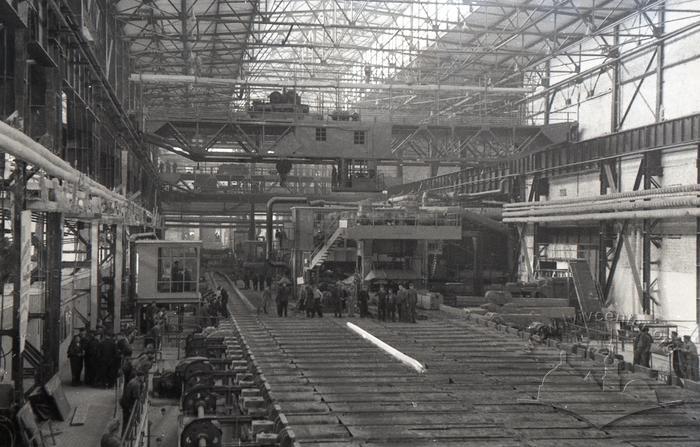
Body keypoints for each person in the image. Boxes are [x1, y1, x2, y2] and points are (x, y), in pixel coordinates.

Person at [120, 368, 145, 434]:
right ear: (140, 377)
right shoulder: (136, 384)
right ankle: (127, 436)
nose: (143, 379)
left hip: (125, 402)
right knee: (129, 421)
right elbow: (136, 396)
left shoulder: (133, 380)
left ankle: (125, 435)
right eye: (143, 377)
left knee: (126, 421)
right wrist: (143, 387)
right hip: (128, 405)